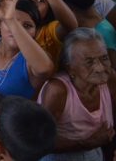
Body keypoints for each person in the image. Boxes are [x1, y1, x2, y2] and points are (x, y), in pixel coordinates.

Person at [38, 28, 116, 160]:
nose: (100, 68)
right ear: (70, 68)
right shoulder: (58, 91)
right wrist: (87, 143)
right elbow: (39, 141)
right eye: (89, 62)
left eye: (104, 58)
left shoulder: (110, 79)